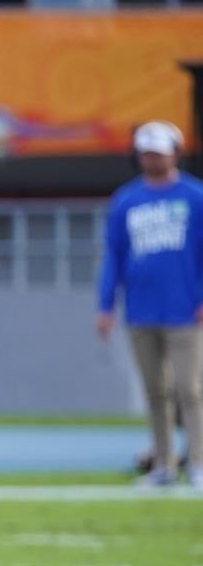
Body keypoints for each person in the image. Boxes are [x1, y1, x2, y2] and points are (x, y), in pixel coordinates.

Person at [97, 121, 203, 489]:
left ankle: (198, 464)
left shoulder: (194, 196)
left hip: (185, 309)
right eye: (146, 152)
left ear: (175, 152)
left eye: (158, 152)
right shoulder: (127, 200)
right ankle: (164, 465)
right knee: (155, 391)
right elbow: (114, 254)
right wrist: (106, 304)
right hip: (141, 309)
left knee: (189, 389)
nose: (152, 159)